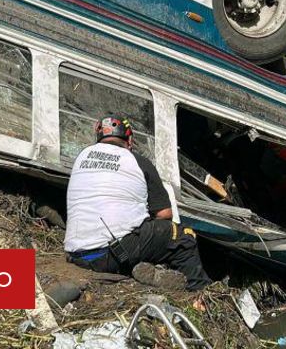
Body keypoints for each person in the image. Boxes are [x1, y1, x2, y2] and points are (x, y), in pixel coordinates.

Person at [64, 114, 212, 290]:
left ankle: (150, 274)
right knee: (182, 236)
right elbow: (165, 214)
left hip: (76, 254)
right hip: (109, 255)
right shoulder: (138, 161)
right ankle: (200, 295)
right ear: (130, 140)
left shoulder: (81, 157)